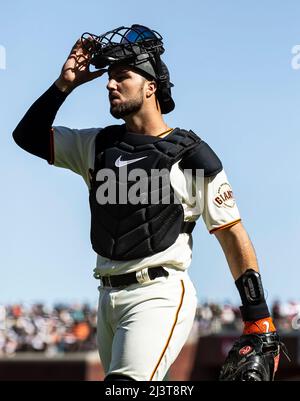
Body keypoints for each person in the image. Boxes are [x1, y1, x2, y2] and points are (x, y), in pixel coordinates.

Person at [12, 24, 286, 381]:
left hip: (158, 294)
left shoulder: (191, 154)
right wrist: (64, 84)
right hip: (107, 300)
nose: (110, 84)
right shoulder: (96, 145)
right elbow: (27, 136)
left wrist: (258, 316)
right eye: (108, 77)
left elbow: (231, 233)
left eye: (122, 76)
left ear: (151, 86)